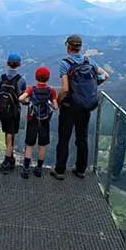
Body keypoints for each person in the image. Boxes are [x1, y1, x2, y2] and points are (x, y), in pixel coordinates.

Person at [54, 35, 109, 180]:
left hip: (69, 106)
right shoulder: (89, 61)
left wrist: (58, 102)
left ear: (68, 46)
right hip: (85, 106)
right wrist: (91, 89)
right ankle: (81, 170)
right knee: (82, 137)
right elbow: (106, 76)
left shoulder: (65, 63)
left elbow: (65, 89)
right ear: (80, 47)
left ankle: (60, 170)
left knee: (64, 138)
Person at [18, 66, 58, 179]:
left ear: (36, 77)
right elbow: (55, 107)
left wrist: (28, 101)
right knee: (42, 146)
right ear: (48, 78)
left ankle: (26, 170)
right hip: (45, 121)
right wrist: (49, 104)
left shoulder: (31, 89)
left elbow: (20, 98)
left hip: (32, 120)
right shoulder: (51, 91)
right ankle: (39, 169)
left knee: (29, 145)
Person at [0, 52, 27, 174]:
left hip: (2, 111)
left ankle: (10, 157)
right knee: (11, 135)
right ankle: (7, 161)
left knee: (6, 134)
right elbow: (23, 97)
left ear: (7, 63)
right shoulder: (21, 80)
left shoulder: (2, 77)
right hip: (14, 112)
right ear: (19, 64)